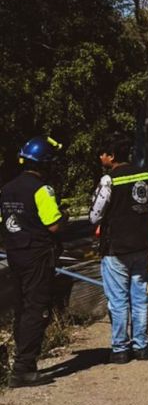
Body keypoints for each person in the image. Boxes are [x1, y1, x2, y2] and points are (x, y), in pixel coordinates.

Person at [89, 136, 148, 363]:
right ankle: (142, 347)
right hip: (143, 244)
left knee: (118, 300)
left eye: (103, 153)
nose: (101, 157)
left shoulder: (108, 180)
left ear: (111, 155)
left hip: (116, 247)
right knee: (139, 296)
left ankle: (120, 349)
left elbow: (94, 216)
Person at [1, 136, 64, 388]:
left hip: (15, 255)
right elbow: (54, 225)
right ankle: (24, 368)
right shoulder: (42, 189)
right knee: (37, 310)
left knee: (22, 307)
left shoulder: (6, 189)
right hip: (37, 257)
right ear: (44, 164)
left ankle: (21, 362)